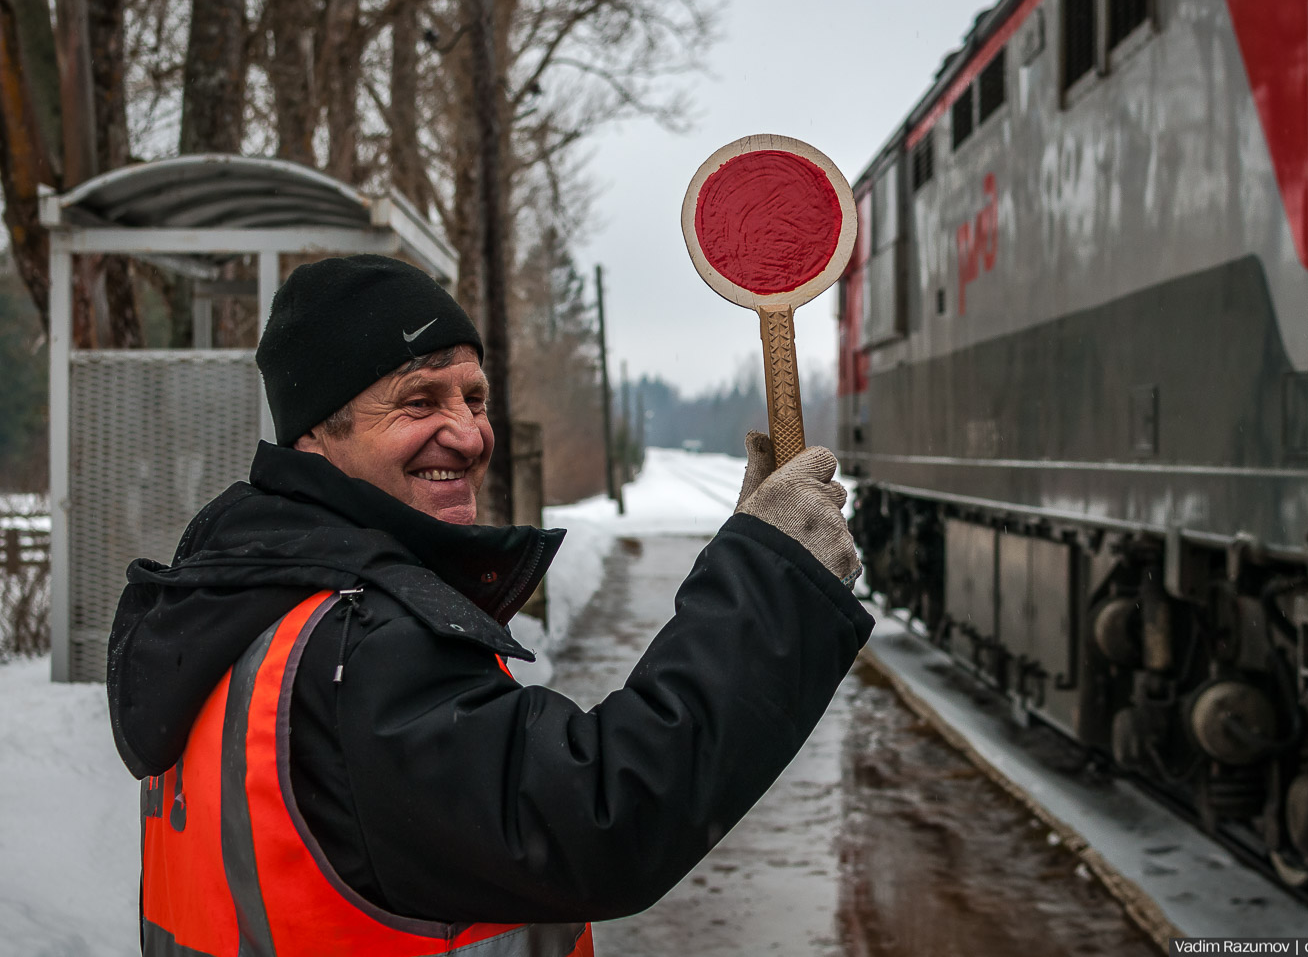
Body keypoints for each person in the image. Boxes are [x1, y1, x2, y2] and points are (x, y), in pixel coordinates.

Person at [107, 254, 871, 956]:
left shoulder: (237, 603)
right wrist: (773, 580)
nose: (469, 434)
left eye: (474, 397)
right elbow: (602, 815)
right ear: (315, 432)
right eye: (418, 400)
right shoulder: (354, 649)